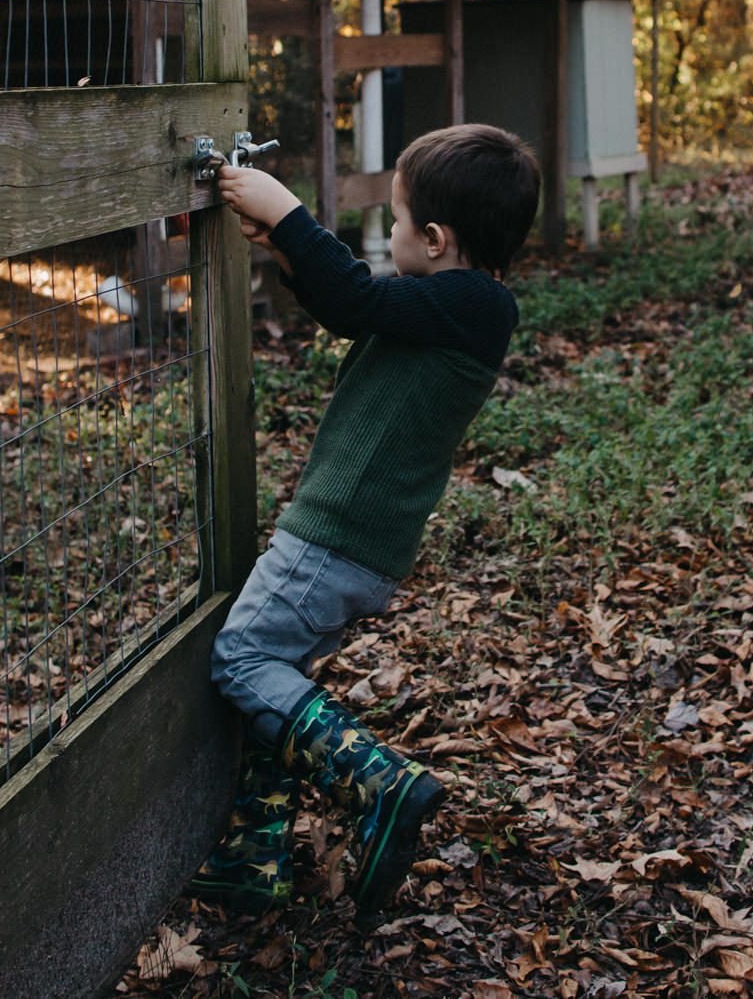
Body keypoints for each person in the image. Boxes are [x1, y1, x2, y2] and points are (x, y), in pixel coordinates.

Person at [188, 122, 542, 925]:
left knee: (243, 657)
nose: (390, 234)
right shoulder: (459, 304)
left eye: (396, 220)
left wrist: (289, 215)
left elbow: (355, 300)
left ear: (438, 239)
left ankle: (383, 784)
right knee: (277, 678)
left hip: (335, 539)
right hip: (355, 545)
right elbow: (353, 305)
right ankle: (253, 854)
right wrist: (288, 251)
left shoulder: (472, 302)